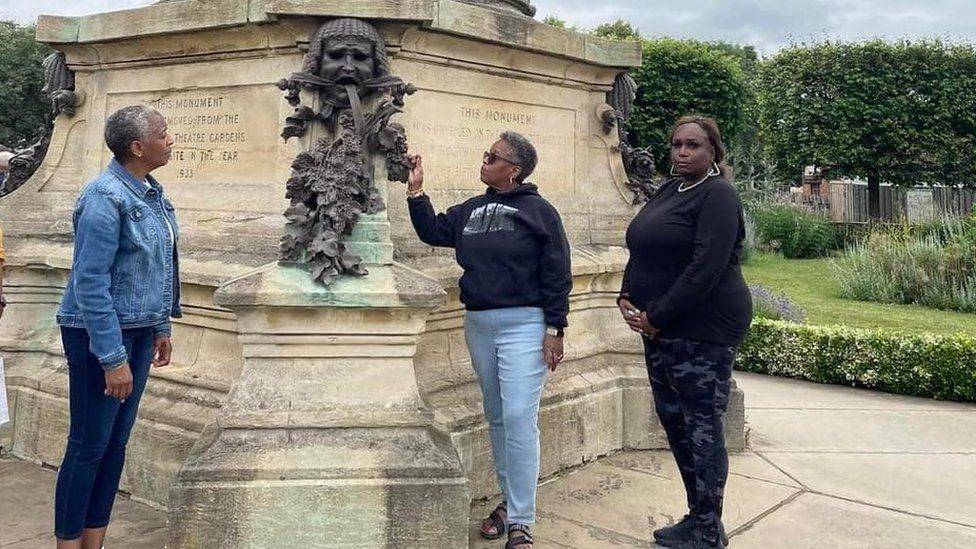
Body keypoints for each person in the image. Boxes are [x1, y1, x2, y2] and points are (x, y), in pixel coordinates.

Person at [406, 132, 572, 549]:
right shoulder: (471, 209)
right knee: (497, 416)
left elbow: (557, 270)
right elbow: (433, 231)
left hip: (525, 324)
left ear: (513, 170)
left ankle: (520, 520)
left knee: (518, 415)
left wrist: (555, 328)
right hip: (479, 323)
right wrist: (416, 190)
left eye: (493, 157)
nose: (485, 160)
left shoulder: (539, 212)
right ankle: (508, 502)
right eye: (486, 154)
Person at [618, 115, 752, 549]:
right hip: (659, 326)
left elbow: (705, 269)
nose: (681, 152)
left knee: (701, 426)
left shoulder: (719, 196)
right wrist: (626, 294)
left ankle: (709, 527)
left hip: (703, 326)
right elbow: (643, 245)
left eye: (693, 145)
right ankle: (696, 516)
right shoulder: (669, 190)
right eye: (676, 144)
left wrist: (656, 316)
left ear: (713, 150)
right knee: (675, 423)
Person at [53, 105, 181, 549]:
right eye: (164, 134)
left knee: (113, 447)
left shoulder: (151, 193)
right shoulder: (105, 197)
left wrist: (160, 325)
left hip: (140, 331)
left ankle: (94, 543)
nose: (171, 140)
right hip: (100, 335)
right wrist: (112, 358)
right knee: (89, 446)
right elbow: (90, 283)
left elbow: (157, 265)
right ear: (137, 146)